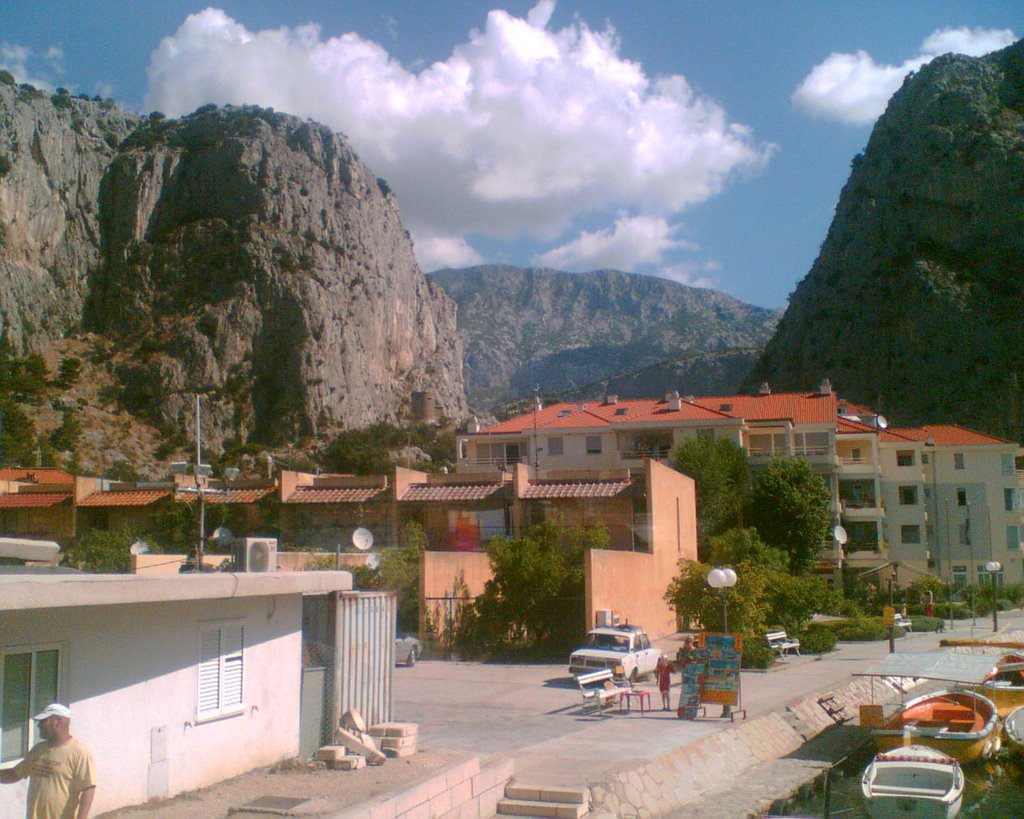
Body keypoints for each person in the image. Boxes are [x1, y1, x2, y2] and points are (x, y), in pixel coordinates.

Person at [0, 703, 96, 819]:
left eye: (43, 721)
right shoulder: (38, 750)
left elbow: (88, 788)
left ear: (57, 722)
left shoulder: (80, 752)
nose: (38, 725)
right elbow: (14, 774)